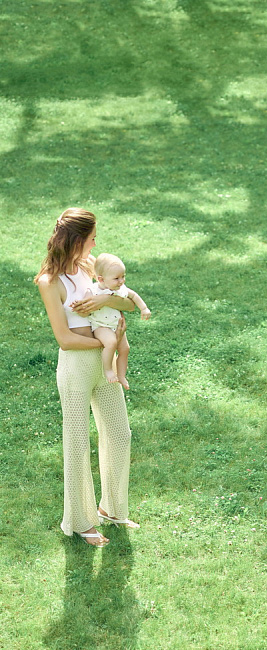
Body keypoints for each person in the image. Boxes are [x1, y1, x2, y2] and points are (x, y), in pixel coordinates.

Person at [35, 208, 139, 546]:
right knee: (77, 445)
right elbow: (64, 339)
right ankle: (80, 522)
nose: (95, 243)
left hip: (104, 364)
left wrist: (100, 300)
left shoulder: (90, 265)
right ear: (76, 240)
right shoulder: (49, 282)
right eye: (92, 238)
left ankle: (112, 509)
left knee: (120, 435)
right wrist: (106, 342)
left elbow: (128, 304)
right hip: (77, 367)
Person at [85, 253, 151, 390]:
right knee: (111, 343)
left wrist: (144, 308)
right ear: (101, 279)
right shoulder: (93, 290)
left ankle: (121, 375)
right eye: (116, 278)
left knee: (125, 349)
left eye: (123, 276)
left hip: (116, 325)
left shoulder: (120, 289)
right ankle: (108, 370)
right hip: (101, 326)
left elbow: (134, 296)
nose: (121, 281)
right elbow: (85, 304)